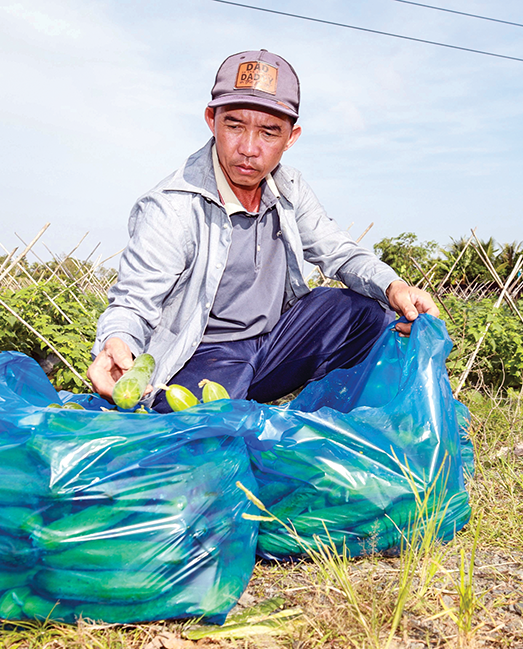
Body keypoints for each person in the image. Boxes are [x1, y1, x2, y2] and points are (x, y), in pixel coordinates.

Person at [88, 49, 438, 411]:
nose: (249, 149)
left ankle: (352, 416)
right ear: (212, 120)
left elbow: (339, 251)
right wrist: (117, 340)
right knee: (199, 428)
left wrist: (395, 286)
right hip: (206, 356)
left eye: (269, 132)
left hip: (275, 342)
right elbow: (134, 301)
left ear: (292, 137)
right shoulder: (172, 207)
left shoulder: (289, 187)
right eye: (234, 126)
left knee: (368, 314)